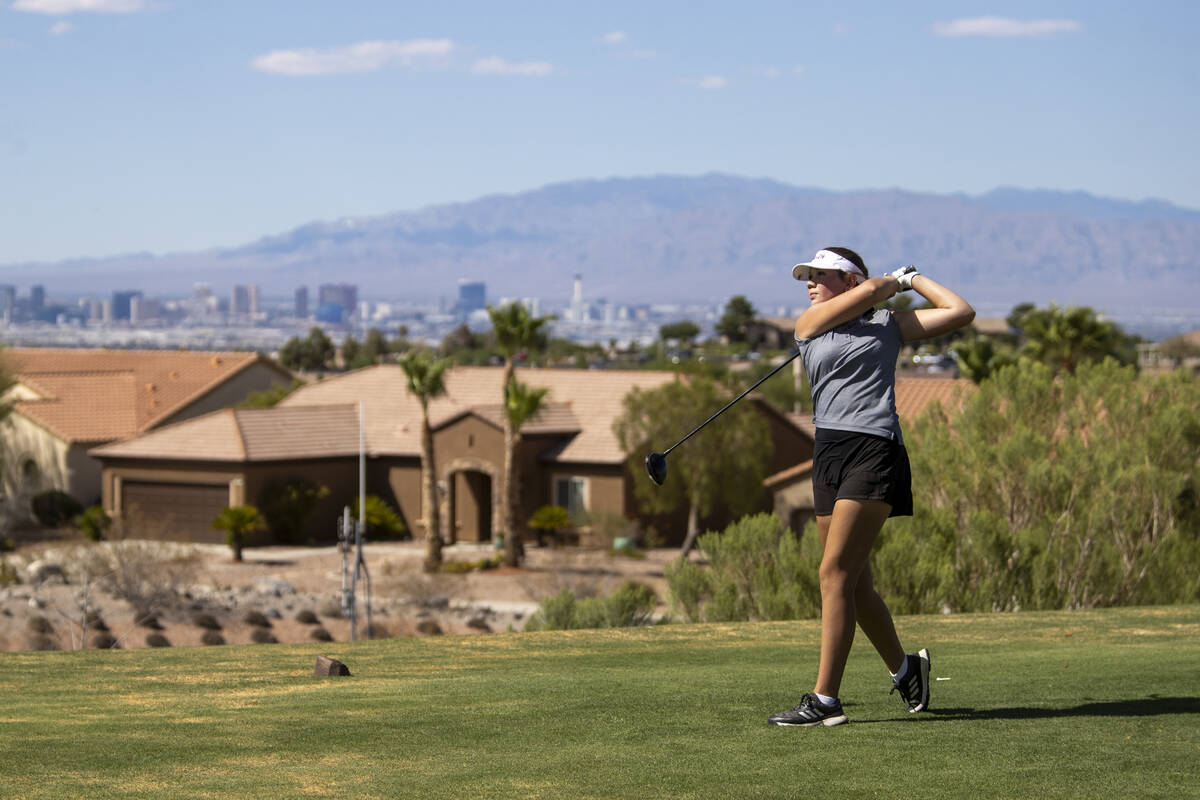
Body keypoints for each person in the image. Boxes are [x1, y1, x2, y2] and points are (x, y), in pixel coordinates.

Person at [768, 246, 975, 727]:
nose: (810, 283)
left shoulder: (888, 327)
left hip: (874, 449)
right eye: (808, 276)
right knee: (855, 584)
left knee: (833, 574)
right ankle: (907, 670)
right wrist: (887, 283)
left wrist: (915, 278)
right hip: (829, 453)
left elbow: (960, 312)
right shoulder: (808, 324)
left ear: (850, 280)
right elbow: (875, 292)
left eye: (822, 275)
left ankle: (825, 701)